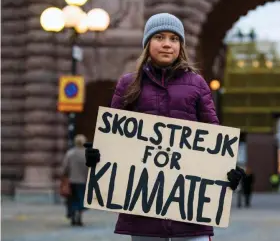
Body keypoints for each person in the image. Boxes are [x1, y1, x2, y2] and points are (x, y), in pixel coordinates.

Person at [83, 13, 245, 241]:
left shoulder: (197, 84)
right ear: (148, 43)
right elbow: (113, 139)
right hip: (143, 208)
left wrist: (226, 170)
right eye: (159, 37)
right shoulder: (128, 84)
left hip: (190, 211)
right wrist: (97, 156)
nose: (167, 44)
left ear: (181, 46)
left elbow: (212, 136)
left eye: (174, 38)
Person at [61, 134, 89, 226]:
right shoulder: (87, 153)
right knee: (81, 200)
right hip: (83, 181)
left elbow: (65, 167)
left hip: (72, 181)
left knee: (72, 200)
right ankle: (79, 218)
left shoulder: (70, 153)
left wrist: (64, 175)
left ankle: (73, 217)